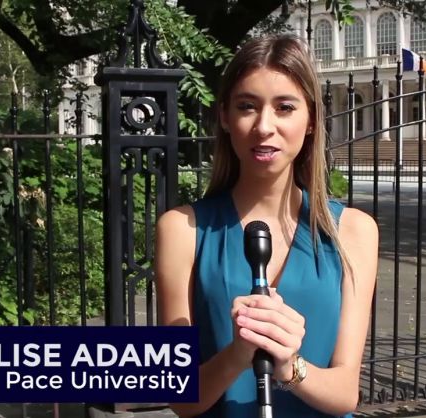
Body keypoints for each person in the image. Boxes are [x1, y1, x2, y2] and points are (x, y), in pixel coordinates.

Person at [154, 34, 378, 418]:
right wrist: (238, 353)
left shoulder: (354, 231)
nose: (264, 126)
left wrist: (289, 366)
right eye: (247, 106)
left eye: (284, 107)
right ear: (225, 117)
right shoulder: (182, 229)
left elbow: (345, 394)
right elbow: (179, 398)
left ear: (311, 119)